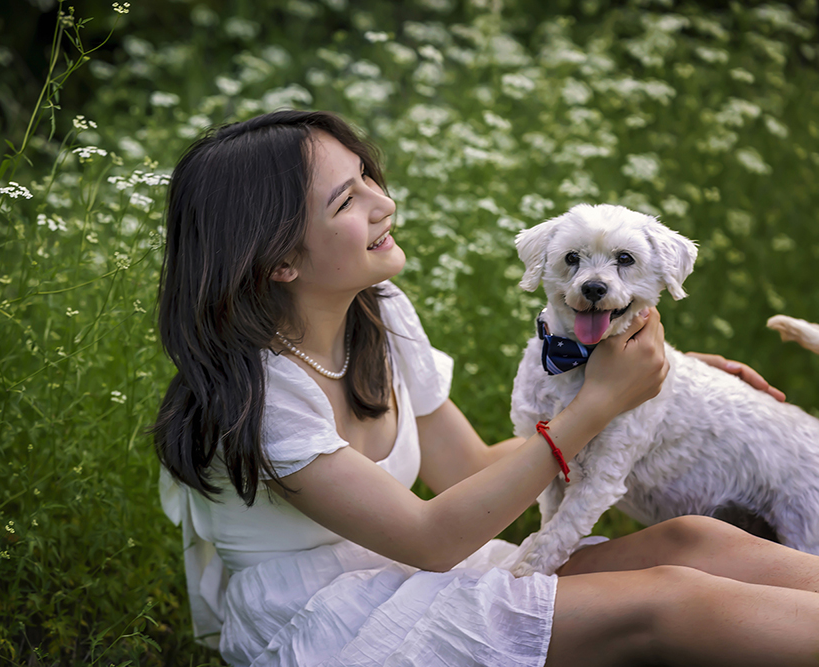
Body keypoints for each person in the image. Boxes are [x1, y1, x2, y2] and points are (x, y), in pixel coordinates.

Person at [153, 109, 817, 667]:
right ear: (280, 260)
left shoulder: (377, 313)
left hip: (414, 573)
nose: (384, 202)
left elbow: (471, 471)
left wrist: (662, 393)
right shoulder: (264, 396)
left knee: (692, 541)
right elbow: (431, 534)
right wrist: (600, 403)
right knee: (670, 601)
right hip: (333, 624)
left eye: (366, 177)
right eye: (347, 200)